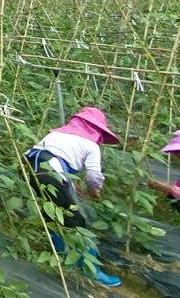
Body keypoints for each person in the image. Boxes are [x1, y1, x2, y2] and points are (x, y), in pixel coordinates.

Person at [24, 106, 121, 287]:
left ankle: (63, 257)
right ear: (98, 130)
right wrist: (95, 191)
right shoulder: (91, 145)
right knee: (76, 223)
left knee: (52, 217)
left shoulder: (56, 135)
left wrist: (73, 187)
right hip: (51, 175)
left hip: (29, 169)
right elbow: (93, 176)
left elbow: (62, 162)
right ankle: (92, 271)